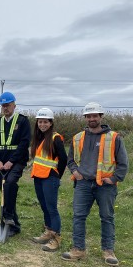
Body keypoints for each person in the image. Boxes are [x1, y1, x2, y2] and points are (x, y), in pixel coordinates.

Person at [61, 102, 128, 266]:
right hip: (83, 184)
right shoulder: (78, 138)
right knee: (78, 217)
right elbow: (70, 160)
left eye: (95, 116)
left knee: (107, 217)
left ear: (101, 117)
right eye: (89, 116)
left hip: (106, 186)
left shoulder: (113, 137)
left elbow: (123, 162)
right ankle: (78, 249)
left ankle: (108, 250)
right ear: (85, 117)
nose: (92, 118)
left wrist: (113, 179)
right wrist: (75, 172)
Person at [0, 92, 31, 237]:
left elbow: (24, 143)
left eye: (8, 105)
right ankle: (14, 225)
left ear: (14, 105)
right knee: (5, 191)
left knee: (10, 184)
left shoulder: (23, 121)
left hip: (17, 161)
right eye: (3, 105)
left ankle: (7, 216)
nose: (5, 108)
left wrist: (11, 161)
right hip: (1, 164)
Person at [30, 108, 67, 252]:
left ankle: (56, 238)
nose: (42, 124)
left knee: (52, 209)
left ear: (51, 123)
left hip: (50, 177)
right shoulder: (39, 137)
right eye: (40, 122)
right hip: (38, 177)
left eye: (45, 122)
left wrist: (58, 175)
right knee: (44, 206)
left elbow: (63, 158)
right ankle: (48, 232)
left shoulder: (55, 137)